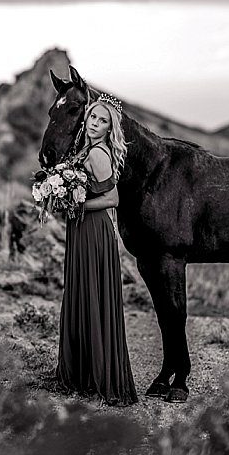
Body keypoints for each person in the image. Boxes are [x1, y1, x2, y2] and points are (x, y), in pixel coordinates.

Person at [57, 96, 138, 405]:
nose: (95, 123)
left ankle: (98, 374)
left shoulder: (100, 154)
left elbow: (113, 199)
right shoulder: (87, 149)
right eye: (93, 117)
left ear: (109, 128)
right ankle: (84, 371)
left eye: (103, 121)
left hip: (93, 229)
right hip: (82, 229)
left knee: (91, 294)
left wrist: (77, 205)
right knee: (81, 292)